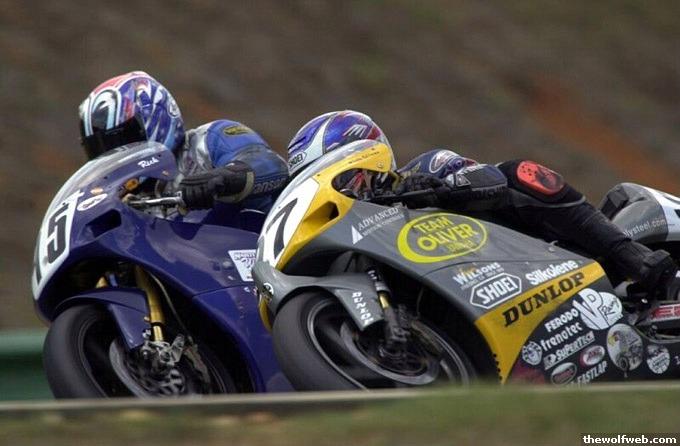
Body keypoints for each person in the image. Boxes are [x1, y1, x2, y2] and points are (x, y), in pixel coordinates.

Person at [287, 110, 680, 301]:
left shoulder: (424, 168)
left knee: (521, 172)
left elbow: (491, 181)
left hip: (546, 259)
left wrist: (436, 190)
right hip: (485, 298)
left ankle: (638, 261)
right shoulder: (355, 243)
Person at [78, 71, 288, 215]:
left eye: (123, 141)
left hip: (256, 249)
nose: (117, 154)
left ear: (156, 118)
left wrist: (220, 179)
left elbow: (271, 165)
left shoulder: (209, 139)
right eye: (101, 150)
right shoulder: (118, 205)